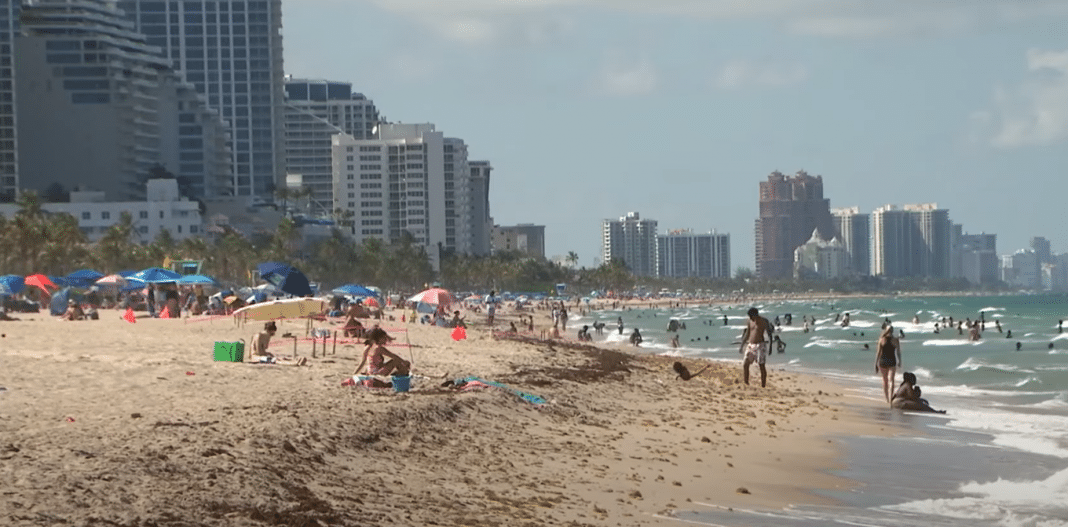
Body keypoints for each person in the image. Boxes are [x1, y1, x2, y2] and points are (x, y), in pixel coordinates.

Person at [739, 307, 774, 387]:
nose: (750, 318)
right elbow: (747, 334)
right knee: (745, 364)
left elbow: (769, 334)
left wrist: (770, 347)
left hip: (760, 345)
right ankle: (746, 382)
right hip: (750, 345)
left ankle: (763, 385)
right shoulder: (749, 321)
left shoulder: (764, 321)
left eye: (751, 316)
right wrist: (742, 345)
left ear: (755, 315)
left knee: (761, 365)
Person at [875, 326, 902, 404]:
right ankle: (890, 399)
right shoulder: (895, 340)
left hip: (883, 361)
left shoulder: (881, 339)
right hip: (892, 361)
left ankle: (887, 399)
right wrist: (900, 361)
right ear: (892, 331)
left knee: (885, 380)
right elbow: (898, 352)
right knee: (891, 380)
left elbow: (878, 353)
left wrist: (875, 364)